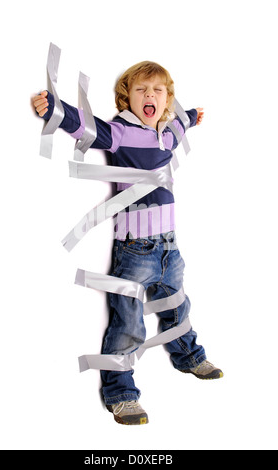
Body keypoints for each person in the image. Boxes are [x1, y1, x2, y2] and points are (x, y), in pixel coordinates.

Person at [32, 61, 223, 426]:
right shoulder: (121, 131)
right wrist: (55, 108)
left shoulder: (167, 133)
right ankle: (121, 392)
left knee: (177, 306)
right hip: (135, 249)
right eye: (141, 90)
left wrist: (193, 115)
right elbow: (87, 128)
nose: (149, 95)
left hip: (170, 247)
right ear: (127, 97)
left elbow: (182, 124)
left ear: (167, 99)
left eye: (158, 90)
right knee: (128, 323)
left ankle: (188, 355)